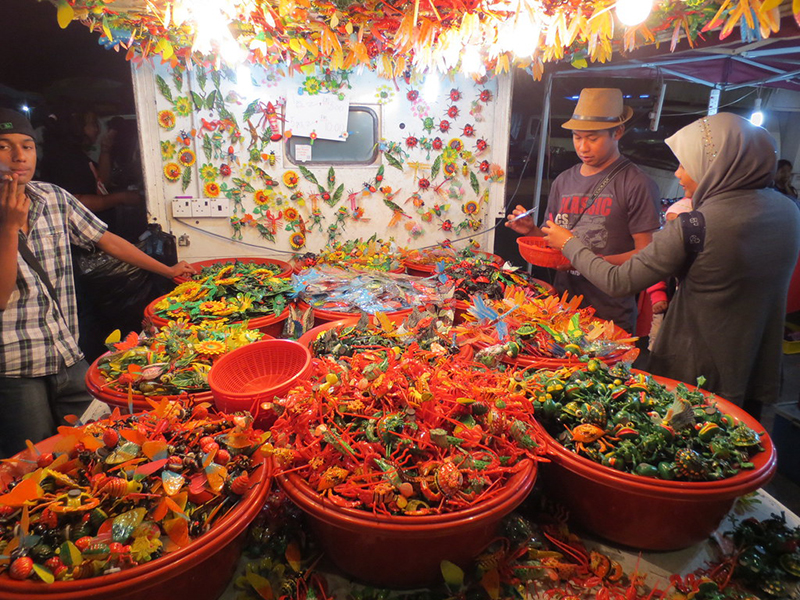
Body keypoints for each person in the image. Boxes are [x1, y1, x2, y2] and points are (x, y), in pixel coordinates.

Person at [541, 112, 800, 419]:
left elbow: (618, 281)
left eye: (686, 164)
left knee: (689, 447)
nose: (677, 174)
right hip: (758, 360)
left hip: (697, 366)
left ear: (715, 166)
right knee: (743, 443)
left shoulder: (695, 224)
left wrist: (570, 245)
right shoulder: (788, 211)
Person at [0, 108, 195, 458]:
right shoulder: (8, 218)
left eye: (27, 146)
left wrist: (166, 270)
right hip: (15, 369)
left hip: (68, 354)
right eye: (5, 146)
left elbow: (107, 240)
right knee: (35, 462)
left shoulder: (53, 198)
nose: (19, 157)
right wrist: (9, 227)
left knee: (98, 444)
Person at [506, 88, 661, 334]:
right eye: (577, 137)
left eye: (592, 138)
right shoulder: (563, 181)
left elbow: (648, 255)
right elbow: (552, 243)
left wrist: (591, 263)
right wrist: (533, 230)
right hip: (562, 308)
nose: (582, 147)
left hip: (609, 314)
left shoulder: (637, 183)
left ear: (617, 132)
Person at [647, 197, 692, 350]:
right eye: (668, 223)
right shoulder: (664, 251)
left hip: (684, 313)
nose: (671, 229)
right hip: (663, 307)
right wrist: (658, 296)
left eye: (676, 223)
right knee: (656, 339)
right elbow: (653, 275)